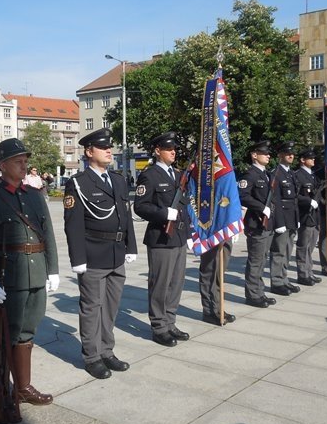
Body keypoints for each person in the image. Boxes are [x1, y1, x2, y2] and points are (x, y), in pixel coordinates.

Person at [0, 137, 59, 421]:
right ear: (3, 165)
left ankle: (23, 387)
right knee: (7, 335)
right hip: (9, 276)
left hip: (35, 274)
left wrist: (52, 268)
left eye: (25, 160)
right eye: (18, 161)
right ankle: (6, 394)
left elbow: (48, 235)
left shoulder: (34, 195)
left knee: (27, 332)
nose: (24, 165)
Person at [63, 128, 137, 379]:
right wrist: (78, 259)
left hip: (116, 253)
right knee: (92, 307)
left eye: (110, 147)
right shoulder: (79, 183)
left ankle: (107, 350)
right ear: (88, 151)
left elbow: (125, 216)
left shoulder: (116, 180)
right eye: (103, 147)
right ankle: (92, 356)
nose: (109, 151)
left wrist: (131, 247)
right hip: (94, 255)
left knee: (111, 307)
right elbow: (73, 224)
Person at [134, 131, 190, 347]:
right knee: (160, 284)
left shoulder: (177, 175)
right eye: (169, 148)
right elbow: (140, 206)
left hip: (179, 237)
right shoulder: (150, 175)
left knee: (176, 283)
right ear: (158, 151)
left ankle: (170, 321)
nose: (173, 151)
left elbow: (184, 206)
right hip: (161, 238)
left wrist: (189, 233)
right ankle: (159, 326)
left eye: (174, 148)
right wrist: (164, 213)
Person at [238, 140, 277, 308]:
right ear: (254, 155)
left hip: (267, 224)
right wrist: (262, 208)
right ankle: (253, 295)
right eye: (264, 153)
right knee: (255, 260)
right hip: (256, 223)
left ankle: (259, 291)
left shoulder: (266, 175)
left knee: (262, 260)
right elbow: (243, 195)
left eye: (268, 153)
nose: (268, 155)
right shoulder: (250, 175)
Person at [268, 141, 300, 297]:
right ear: (280, 155)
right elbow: (276, 200)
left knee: (287, 251)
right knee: (279, 251)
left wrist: (296, 218)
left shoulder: (291, 173)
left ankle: (284, 278)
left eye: (292, 153)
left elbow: (294, 199)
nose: (291, 156)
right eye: (288, 153)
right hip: (282, 219)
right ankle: (277, 282)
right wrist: (279, 222)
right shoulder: (276, 173)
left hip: (291, 217)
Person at [294, 148, 322, 286]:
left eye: (313, 158)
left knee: (310, 246)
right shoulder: (298, 175)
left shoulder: (313, 176)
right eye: (310, 158)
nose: (313, 160)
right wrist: (308, 201)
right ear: (302, 160)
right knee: (303, 246)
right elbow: (294, 195)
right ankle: (303, 274)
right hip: (305, 214)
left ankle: (309, 272)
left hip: (315, 216)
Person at [199, 240, 237, 325]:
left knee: (219, 271)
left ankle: (218, 308)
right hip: (209, 230)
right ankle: (209, 311)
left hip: (224, 229)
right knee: (210, 269)